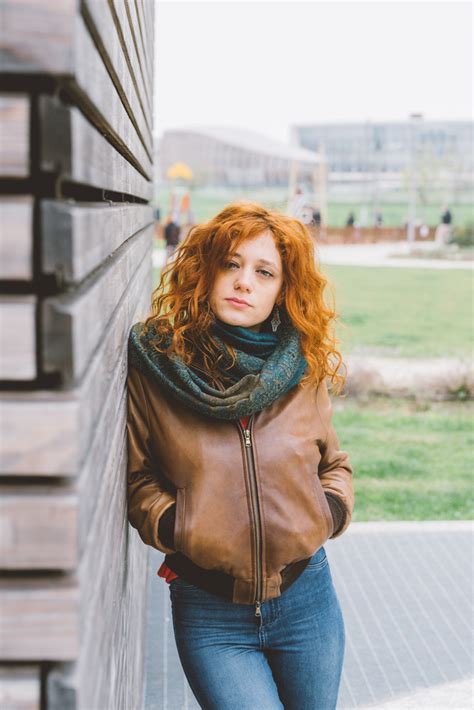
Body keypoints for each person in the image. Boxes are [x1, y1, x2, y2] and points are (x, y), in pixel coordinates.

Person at [126, 202, 355, 709]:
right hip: (210, 612)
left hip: (307, 599)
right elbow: (138, 478)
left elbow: (332, 463)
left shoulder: (302, 368)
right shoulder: (159, 365)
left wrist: (328, 511)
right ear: (206, 272)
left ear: (281, 291)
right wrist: (179, 528)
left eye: (263, 271)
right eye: (231, 264)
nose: (243, 281)